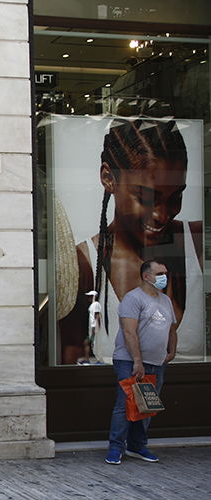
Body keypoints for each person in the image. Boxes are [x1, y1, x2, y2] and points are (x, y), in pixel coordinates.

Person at [58, 117, 202, 364]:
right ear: (108, 178)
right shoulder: (84, 263)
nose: (163, 214)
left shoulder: (197, 242)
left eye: (176, 197)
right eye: (146, 198)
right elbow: (72, 357)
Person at [106, 260, 177, 465]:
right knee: (125, 405)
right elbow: (129, 332)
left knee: (146, 405)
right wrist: (137, 361)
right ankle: (116, 448)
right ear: (147, 276)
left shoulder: (165, 300)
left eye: (165, 272)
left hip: (156, 362)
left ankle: (137, 446)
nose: (165, 276)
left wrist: (172, 352)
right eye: (160, 273)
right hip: (130, 362)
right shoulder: (133, 299)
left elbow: (171, 328)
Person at [79, 290, 102, 364]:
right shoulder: (92, 304)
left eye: (90, 296)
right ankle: (87, 359)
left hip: (93, 326)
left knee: (91, 343)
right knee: (88, 343)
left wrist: (96, 327)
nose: (88, 298)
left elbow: (97, 316)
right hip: (91, 326)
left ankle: (98, 360)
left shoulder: (96, 304)